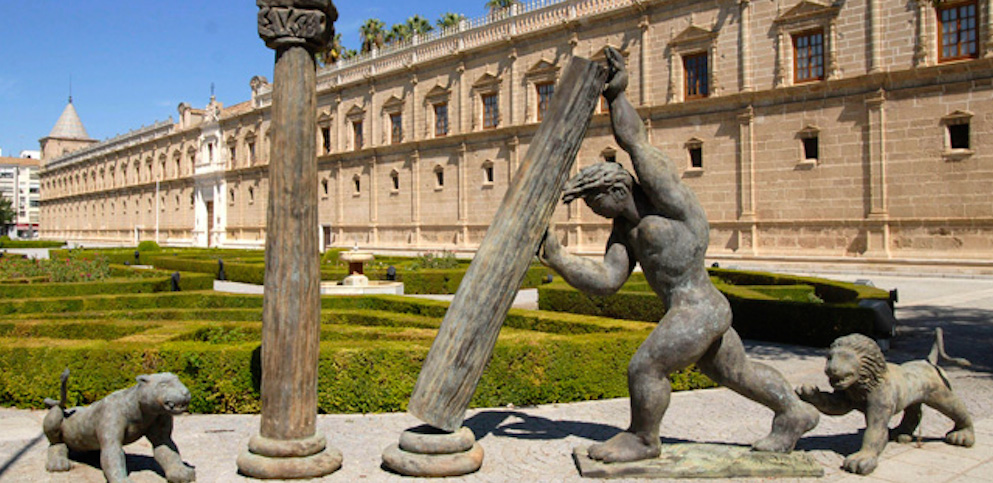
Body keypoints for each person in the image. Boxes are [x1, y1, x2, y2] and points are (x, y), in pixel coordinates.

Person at [539, 47, 818, 463]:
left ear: (617, 191)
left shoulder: (666, 198)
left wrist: (616, 97)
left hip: (697, 307)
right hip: (696, 308)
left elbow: (634, 142)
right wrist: (559, 258)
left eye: (595, 204)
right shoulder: (625, 231)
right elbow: (608, 281)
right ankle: (794, 412)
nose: (594, 213)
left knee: (645, 367)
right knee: (736, 373)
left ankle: (644, 440)